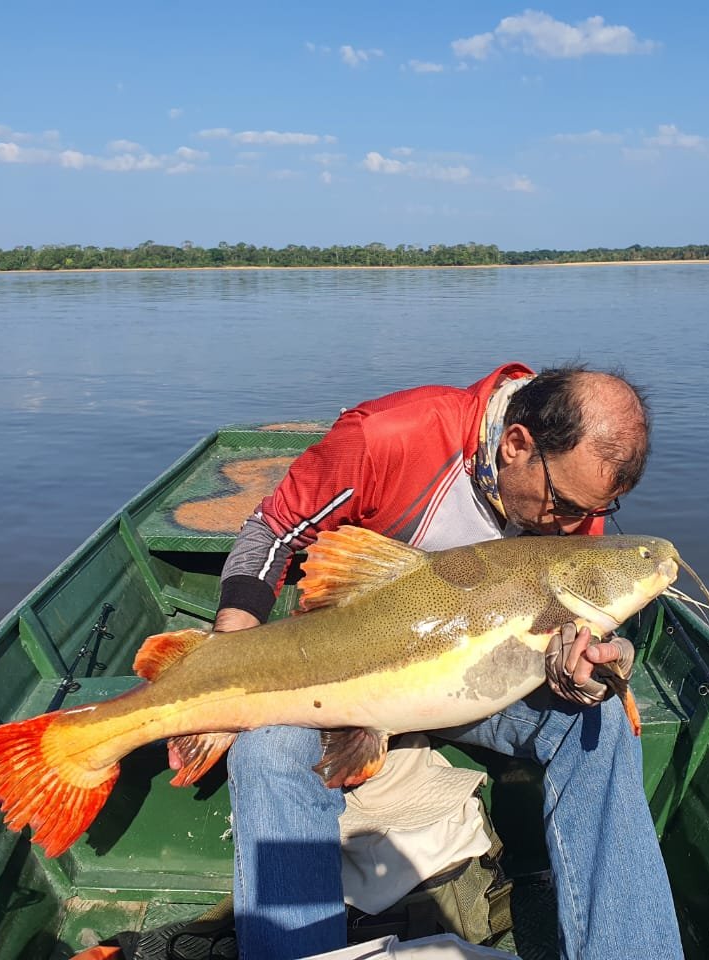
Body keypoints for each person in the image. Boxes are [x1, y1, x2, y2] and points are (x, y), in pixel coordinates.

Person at [213, 363, 683, 960]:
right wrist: (227, 654)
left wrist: (580, 672)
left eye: (597, 510)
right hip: (344, 672)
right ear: (516, 444)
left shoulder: (571, 498)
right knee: (267, 750)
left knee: (602, 720)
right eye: (564, 504)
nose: (573, 525)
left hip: (478, 679)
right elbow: (272, 531)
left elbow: (561, 625)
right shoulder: (387, 437)